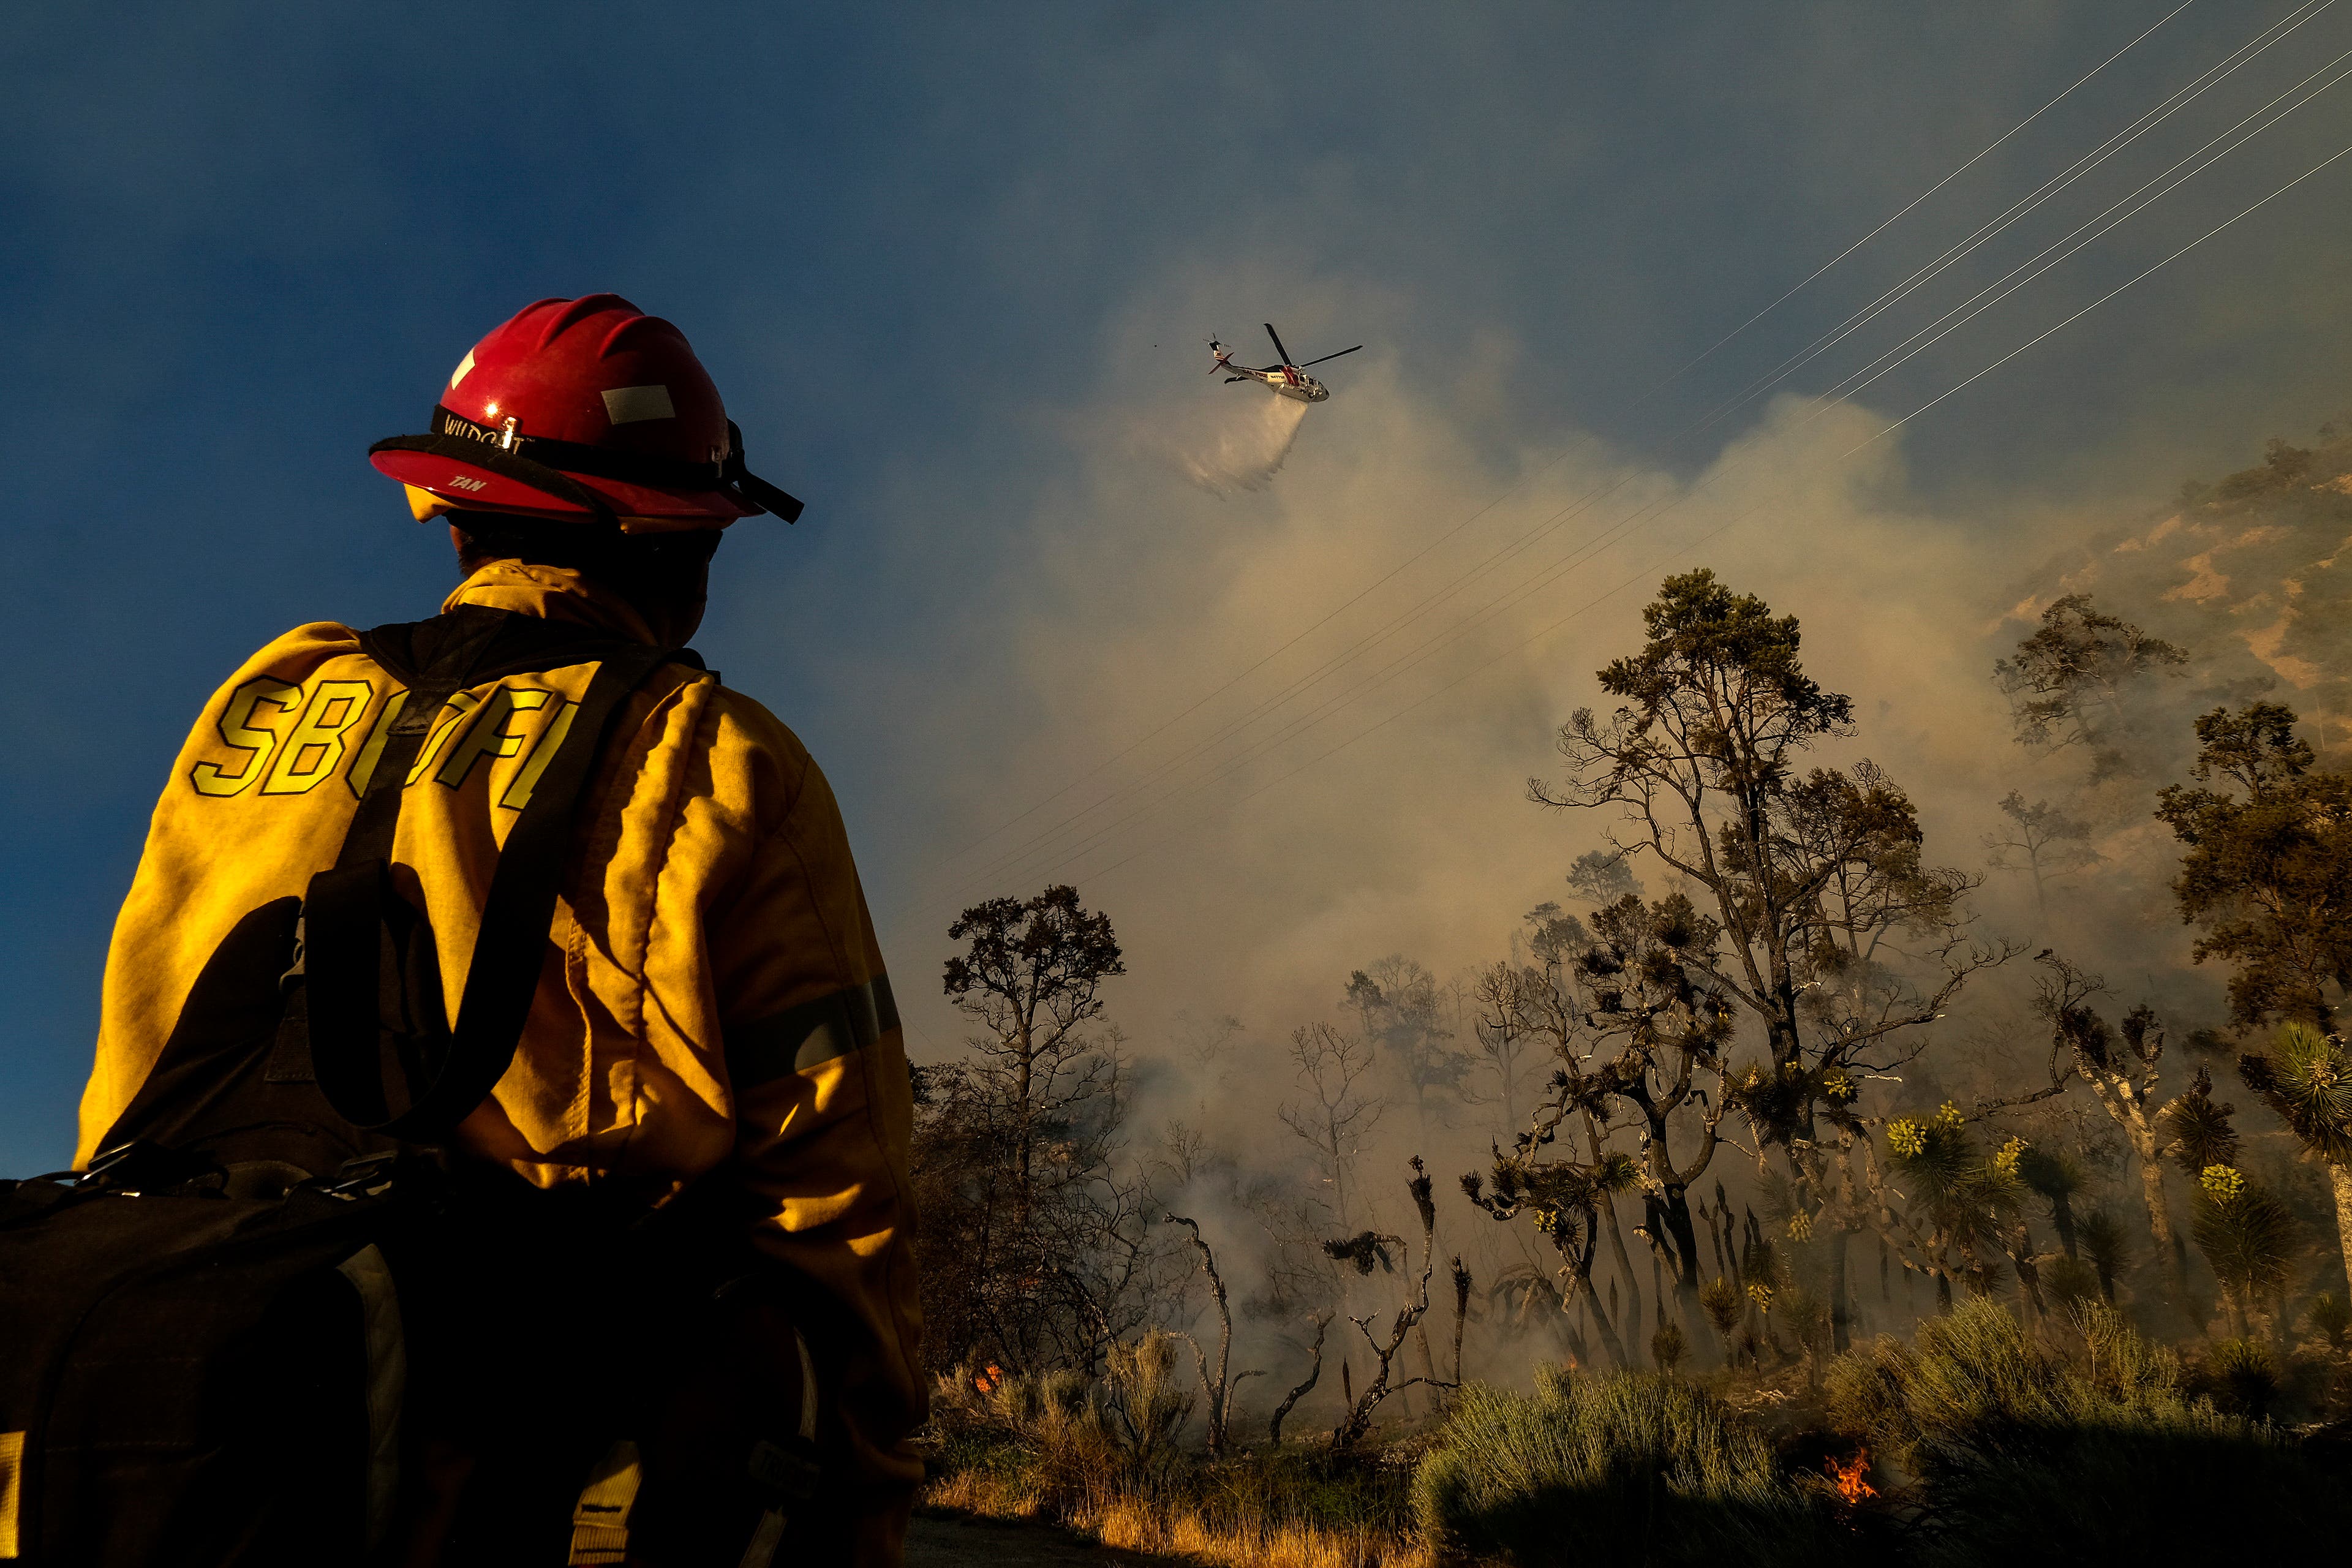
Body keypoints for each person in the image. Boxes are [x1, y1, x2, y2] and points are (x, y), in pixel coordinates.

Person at [72, 294, 924, 1566]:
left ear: (453, 510)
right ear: (673, 539)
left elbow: (139, 1066)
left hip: (157, 1424)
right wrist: (859, 1510)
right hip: (498, 1464)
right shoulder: (717, 761)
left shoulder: (267, 697)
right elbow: (839, 1206)